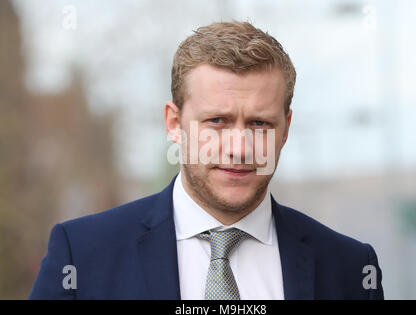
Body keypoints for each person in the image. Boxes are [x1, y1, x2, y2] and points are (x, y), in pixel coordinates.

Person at [29, 21, 384, 300]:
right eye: (217, 121)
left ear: (286, 128)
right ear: (173, 123)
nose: (240, 148)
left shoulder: (350, 270)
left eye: (259, 123)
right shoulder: (83, 256)